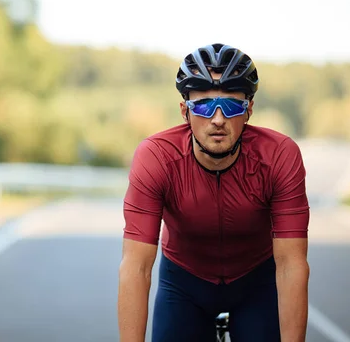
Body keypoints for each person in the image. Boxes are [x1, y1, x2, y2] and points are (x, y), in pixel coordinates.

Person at [117, 43, 310, 342]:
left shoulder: (279, 156)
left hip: (256, 283)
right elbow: (136, 267)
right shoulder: (156, 158)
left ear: (249, 111)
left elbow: (291, 265)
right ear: (185, 111)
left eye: (231, 106)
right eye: (204, 105)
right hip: (184, 284)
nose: (218, 119)